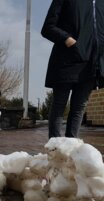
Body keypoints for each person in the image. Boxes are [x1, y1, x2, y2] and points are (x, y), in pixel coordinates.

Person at [41, 0, 104, 138]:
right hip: (67, 59)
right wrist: (67, 39)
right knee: (59, 104)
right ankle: (55, 149)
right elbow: (48, 27)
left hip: (91, 62)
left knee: (79, 107)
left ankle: (72, 146)